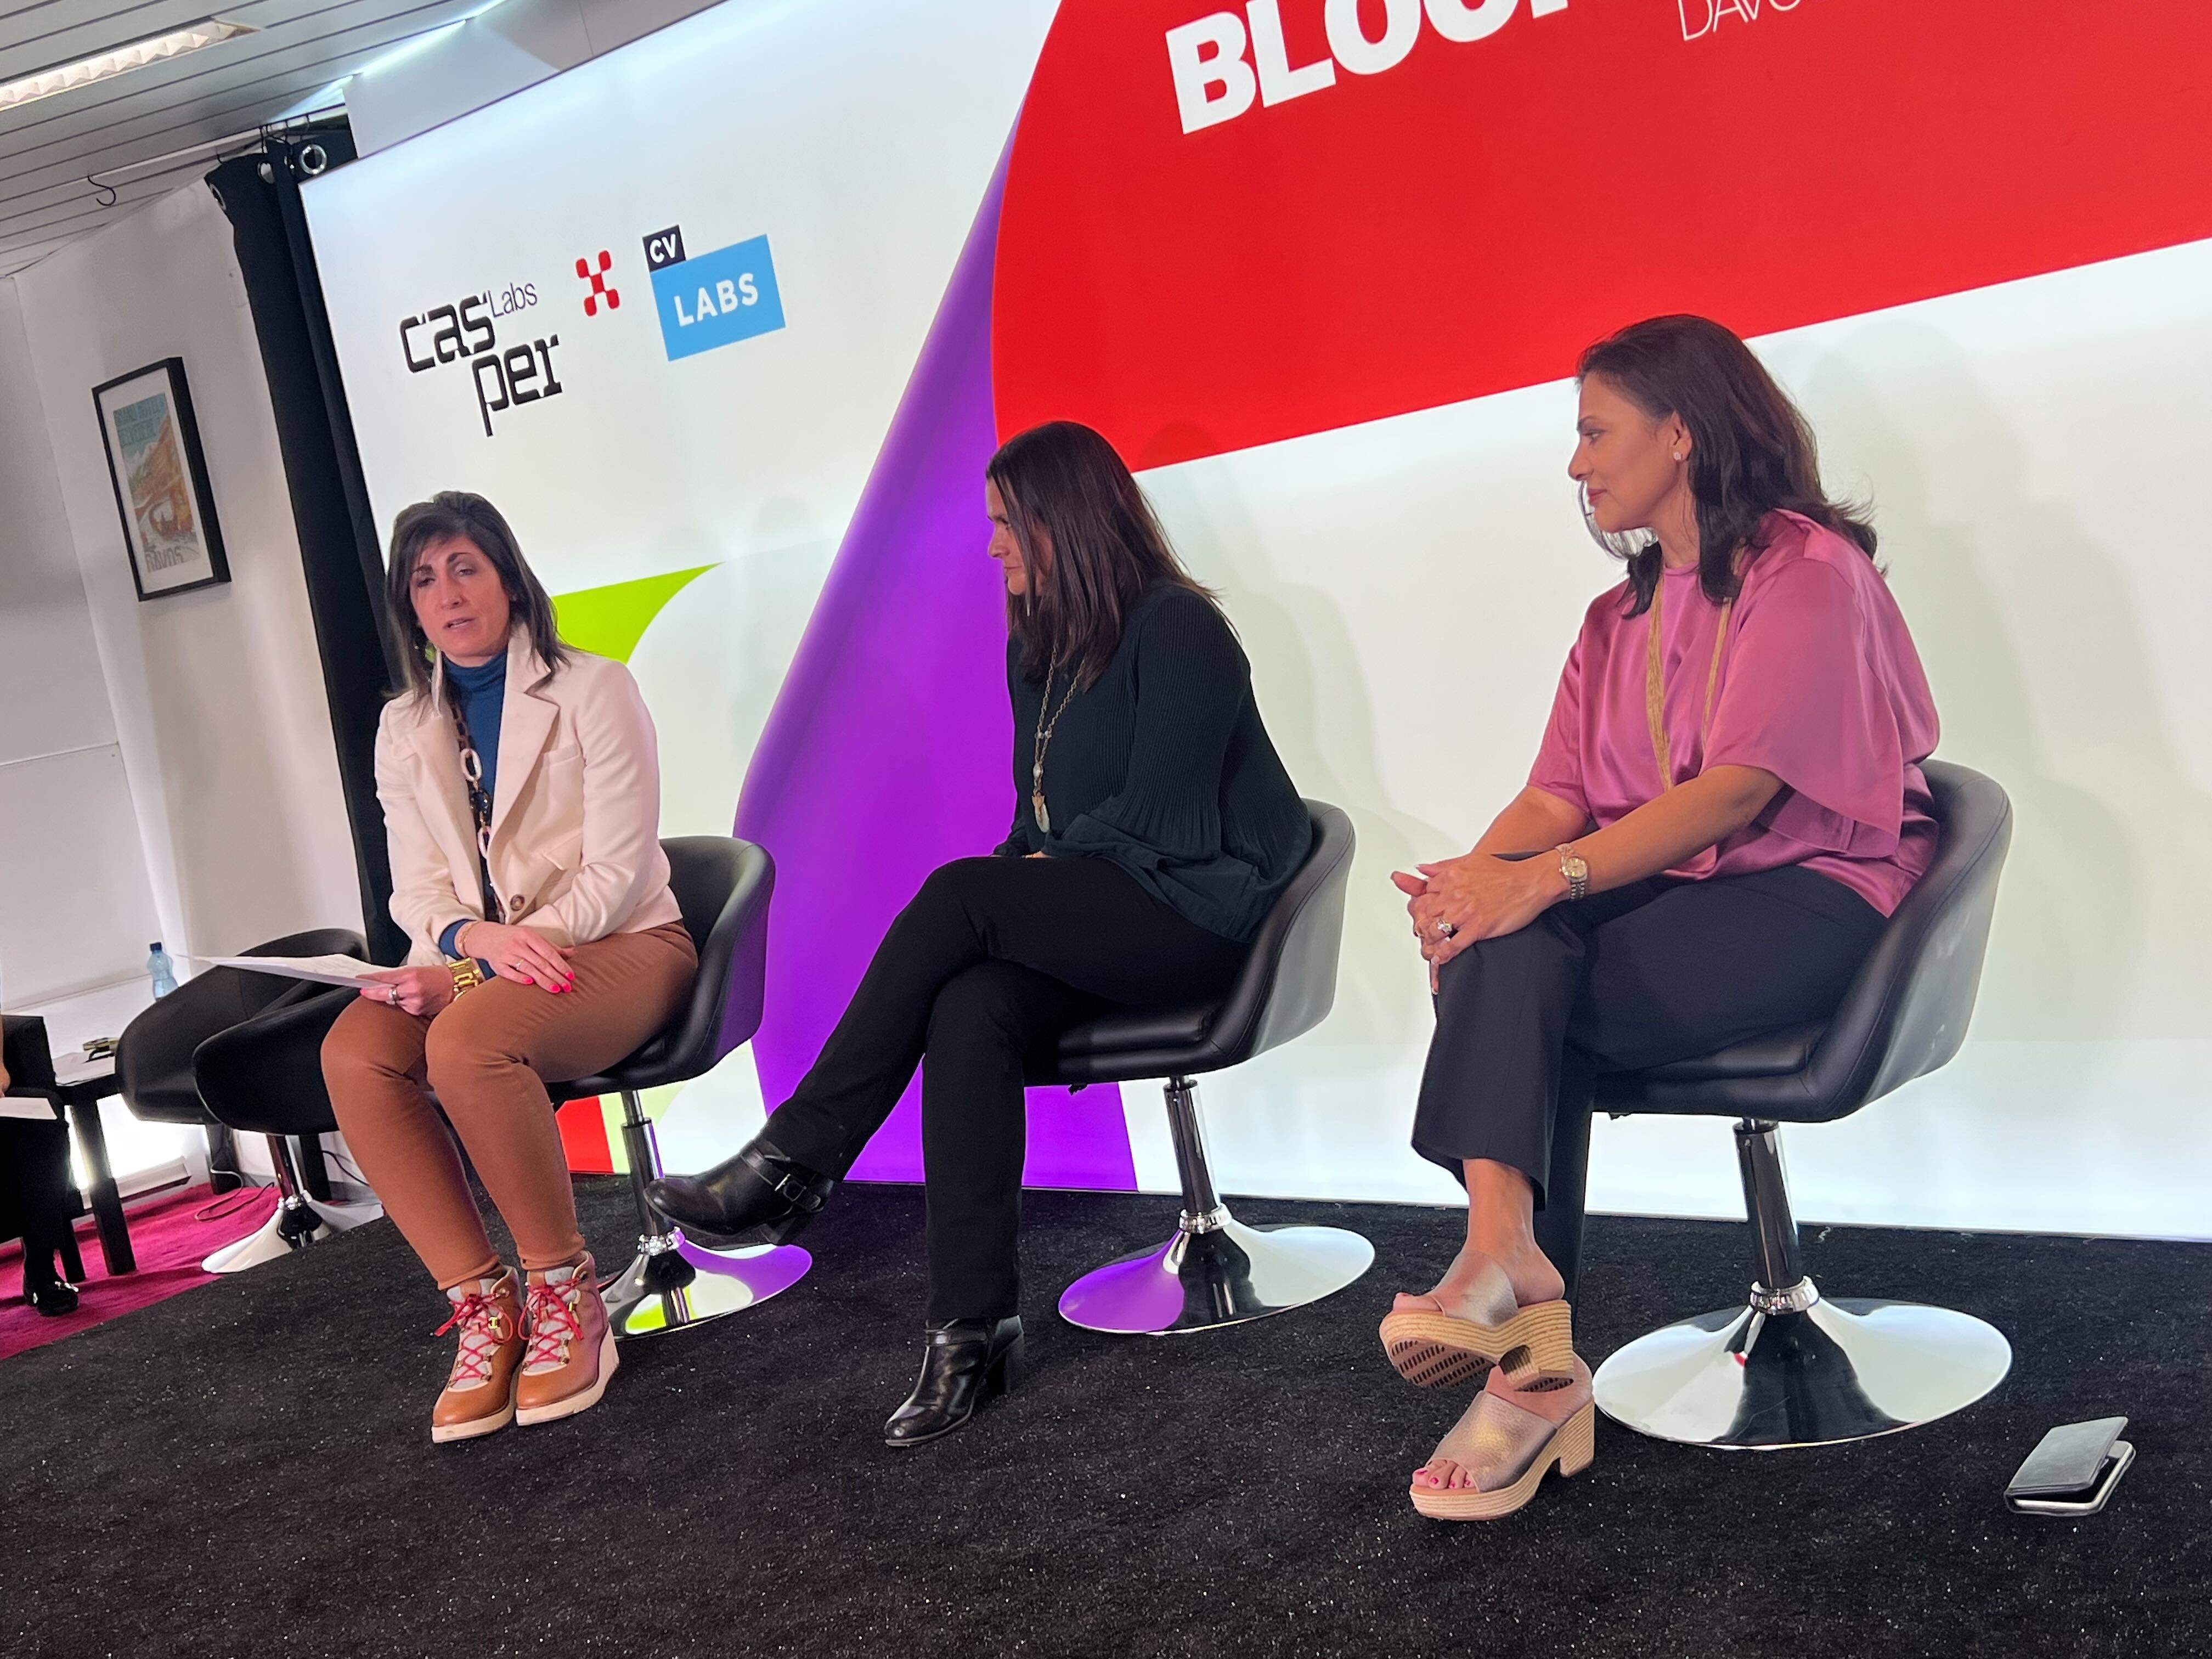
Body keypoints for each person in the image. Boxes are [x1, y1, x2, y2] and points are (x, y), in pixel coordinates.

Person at [648, 420, 1312, 1447]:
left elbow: (1162, 820)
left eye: (1007, 525)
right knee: (970, 1005)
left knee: (964, 895)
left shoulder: (1181, 628)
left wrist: (1026, 881)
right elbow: (1035, 817)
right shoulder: (1037, 644)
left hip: (1201, 917)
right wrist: (1032, 873)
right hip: (1106, 908)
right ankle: (971, 1329)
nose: (993, 547)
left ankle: (796, 1158)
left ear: (1066, 523)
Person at [1382, 315, 1938, 1521]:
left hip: (1813, 899)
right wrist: (1473, 883)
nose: (1575, 464)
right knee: (1503, 944)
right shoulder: (1614, 617)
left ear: (1680, 433)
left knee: (1531, 981)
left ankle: (1530, 1355)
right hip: (1671, 900)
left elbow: (1740, 789)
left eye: (1594, 431)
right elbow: (1558, 794)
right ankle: (1511, 1284)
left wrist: (1540, 881)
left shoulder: (1808, 571)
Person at [321, 492, 696, 1443]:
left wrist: (477, 975)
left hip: (620, 947)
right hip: (479, 965)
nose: (447, 593)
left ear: (508, 579)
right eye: (424, 577)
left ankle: (566, 1289)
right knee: (354, 1054)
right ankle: (485, 1304)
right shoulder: (404, 727)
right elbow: (414, 891)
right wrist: (464, 945)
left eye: (464, 568)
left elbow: (616, 875)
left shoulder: (593, 688)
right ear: (409, 606)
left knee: (467, 1042)